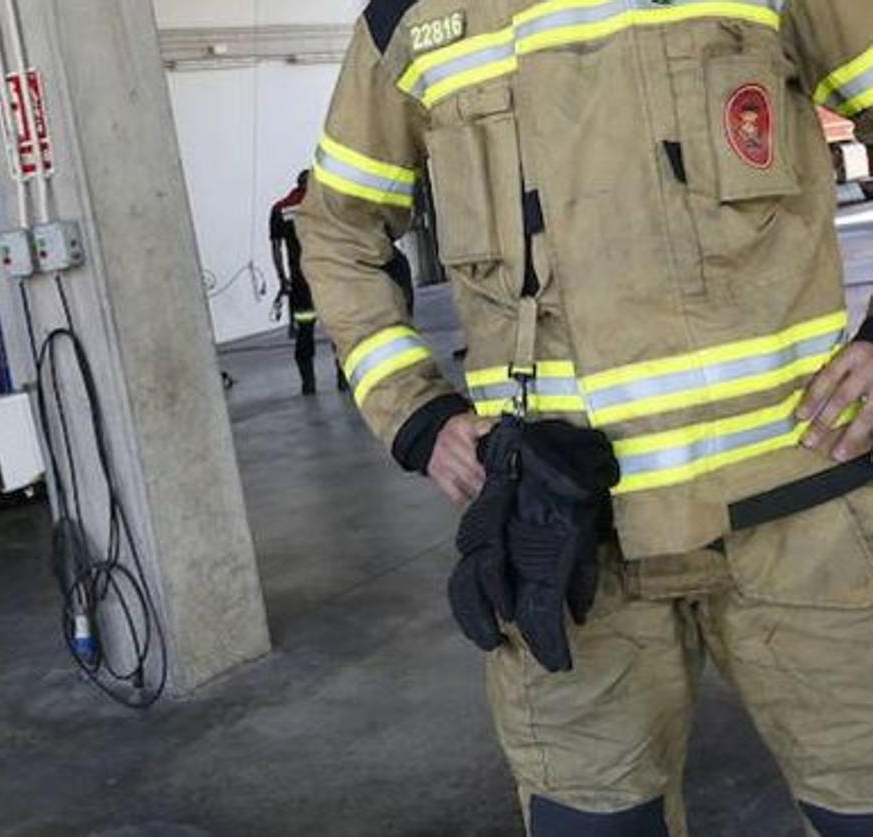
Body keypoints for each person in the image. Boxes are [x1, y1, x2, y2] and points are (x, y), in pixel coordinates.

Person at [299, 2, 873, 835]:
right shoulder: (409, 23)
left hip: (800, 510)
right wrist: (416, 412)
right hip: (568, 549)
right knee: (593, 820)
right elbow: (339, 228)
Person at [271, 171, 348, 395]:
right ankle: (343, 378)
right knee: (337, 328)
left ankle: (308, 383)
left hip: (300, 281)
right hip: (327, 277)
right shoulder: (324, 204)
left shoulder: (280, 209)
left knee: (304, 331)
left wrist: (282, 278)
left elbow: (276, 247)